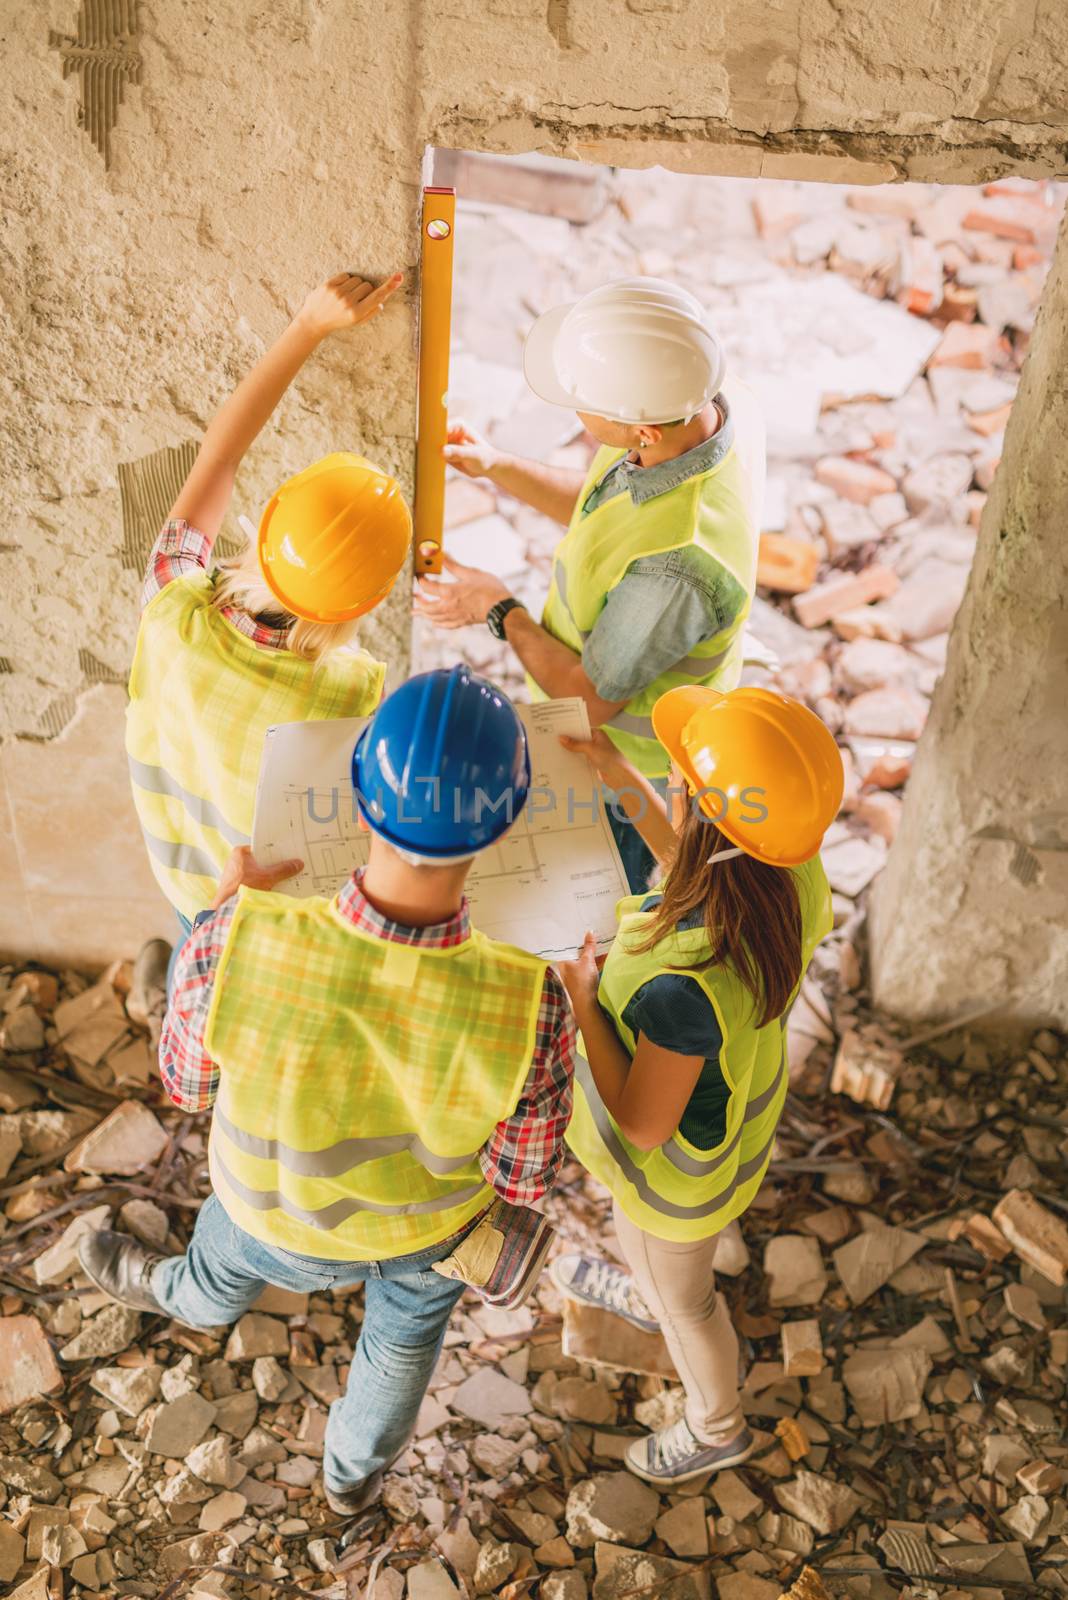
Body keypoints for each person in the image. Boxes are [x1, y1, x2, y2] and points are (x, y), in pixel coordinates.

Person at [80, 666, 576, 1515]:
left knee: (212, 1271)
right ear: (503, 832)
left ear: (354, 801)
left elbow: (187, 1086)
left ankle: (176, 1302)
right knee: (399, 1354)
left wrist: (221, 916)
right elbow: (521, 1182)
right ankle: (350, 1479)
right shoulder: (532, 1003)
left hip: (265, 1212)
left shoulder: (240, 934)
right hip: (426, 1237)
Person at [550, 683, 843, 1485]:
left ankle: (716, 1425)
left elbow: (644, 1125)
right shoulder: (788, 865)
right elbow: (696, 842)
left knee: (688, 1304)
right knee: (683, 1270)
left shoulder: (685, 984)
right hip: (739, 1130)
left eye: (677, 775)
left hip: (674, 1188)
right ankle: (663, 1285)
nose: (672, 779)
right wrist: (615, 768)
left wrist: (581, 999)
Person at [413, 275, 767, 894]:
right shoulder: (698, 403)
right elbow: (607, 505)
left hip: (632, 772)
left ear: (643, 433)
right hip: (610, 702)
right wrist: (498, 466)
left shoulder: (679, 569)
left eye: (584, 406)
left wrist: (499, 610)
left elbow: (589, 699)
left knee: (598, 899)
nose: (574, 413)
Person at [126, 270, 412, 1017]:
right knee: (251, 1021)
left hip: (189, 883)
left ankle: (178, 1004)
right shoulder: (353, 694)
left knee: (203, 980)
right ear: (371, 602)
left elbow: (217, 457)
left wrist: (307, 326)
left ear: (265, 522)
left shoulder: (170, 600)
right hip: (284, 921)